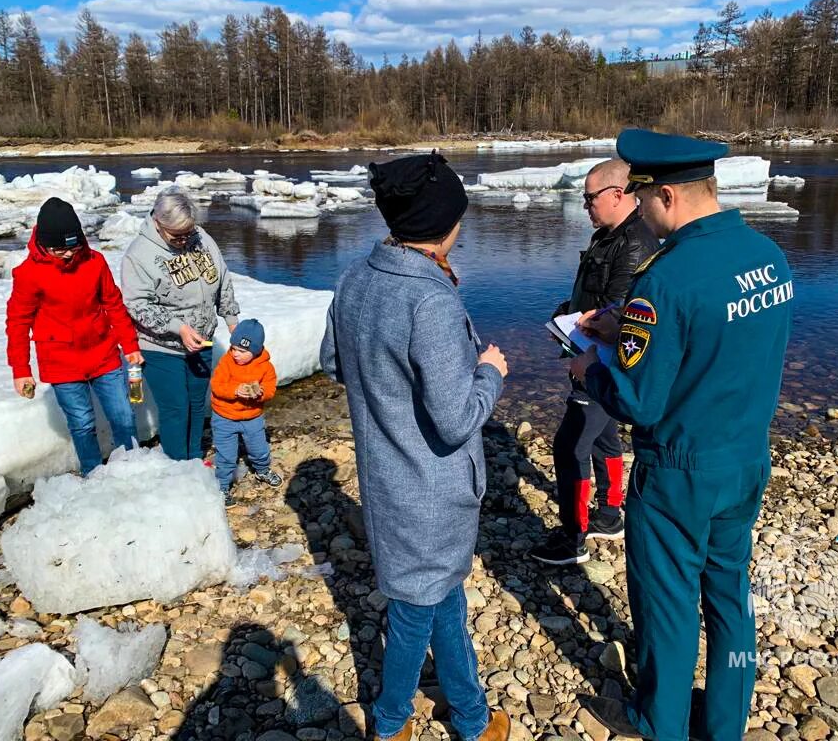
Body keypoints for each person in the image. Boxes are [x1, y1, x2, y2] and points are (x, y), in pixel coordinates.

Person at [570, 129, 793, 741]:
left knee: (667, 604)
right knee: (729, 593)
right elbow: (725, 346)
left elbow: (639, 402)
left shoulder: (663, 281)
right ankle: (726, 723)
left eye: (643, 199)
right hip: (747, 456)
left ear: (666, 194)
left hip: (679, 469)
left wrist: (593, 366)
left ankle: (661, 720)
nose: (640, 211)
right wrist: (635, 332)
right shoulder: (768, 256)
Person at [320, 152, 511, 741]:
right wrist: (490, 372)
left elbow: (333, 362)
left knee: (440, 595)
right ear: (445, 223)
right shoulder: (431, 300)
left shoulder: (357, 276)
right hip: (430, 491)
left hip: (386, 480)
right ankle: (391, 720)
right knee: (414, 612)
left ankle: (473, 718)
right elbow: (456, 422)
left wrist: (386, 392)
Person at [530, 159, 659, 566]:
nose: (585, 205)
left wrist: (585, 322)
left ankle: (573, 538)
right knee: (604, 439)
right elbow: (597, 296)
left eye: (590, 198)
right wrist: (569, 309)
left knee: (569, 447)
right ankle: (608, 514)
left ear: (617, 195)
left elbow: (619, 313)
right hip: (587, 353)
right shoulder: (610, 235)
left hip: (602, 362)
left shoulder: (635, 242)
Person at [5, 197, 142, 476]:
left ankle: (134, 469)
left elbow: (113, 304)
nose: (68, 254)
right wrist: (21, 369)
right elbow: (18, 323)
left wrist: (129, 345)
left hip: (103, 353)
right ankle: (94, 475)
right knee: (82, 423)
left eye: (73, 246)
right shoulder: (29, 274)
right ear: (43, 244)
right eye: (59, 249)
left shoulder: (95, 262)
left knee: (124, 417)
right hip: (61, 362)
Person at [121, 187, 239, 461]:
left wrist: (232, 320)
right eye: (177, 235)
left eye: (189, 232)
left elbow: (221, 278)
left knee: (197, 404)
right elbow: (138, 305)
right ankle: (178, 468)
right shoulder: (139, 255)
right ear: (159, 224)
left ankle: (194, 459)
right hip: (162, 346)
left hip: (202, 341)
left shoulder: (200, 238)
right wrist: (179, 327)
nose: (185, 240)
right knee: (176, 407)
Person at [210, 317, 282, 500]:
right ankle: (223, 486)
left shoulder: (265, 367)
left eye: (242, 351)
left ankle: (262, 470)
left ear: (256, 351)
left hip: (252, 417)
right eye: (234, 348)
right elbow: (217, 385)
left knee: (259, 449)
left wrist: (260, 393)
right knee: (226, 455)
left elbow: (271, 389)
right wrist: (235, 390)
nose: (236, 354)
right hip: (224, 417)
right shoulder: (226, 362)